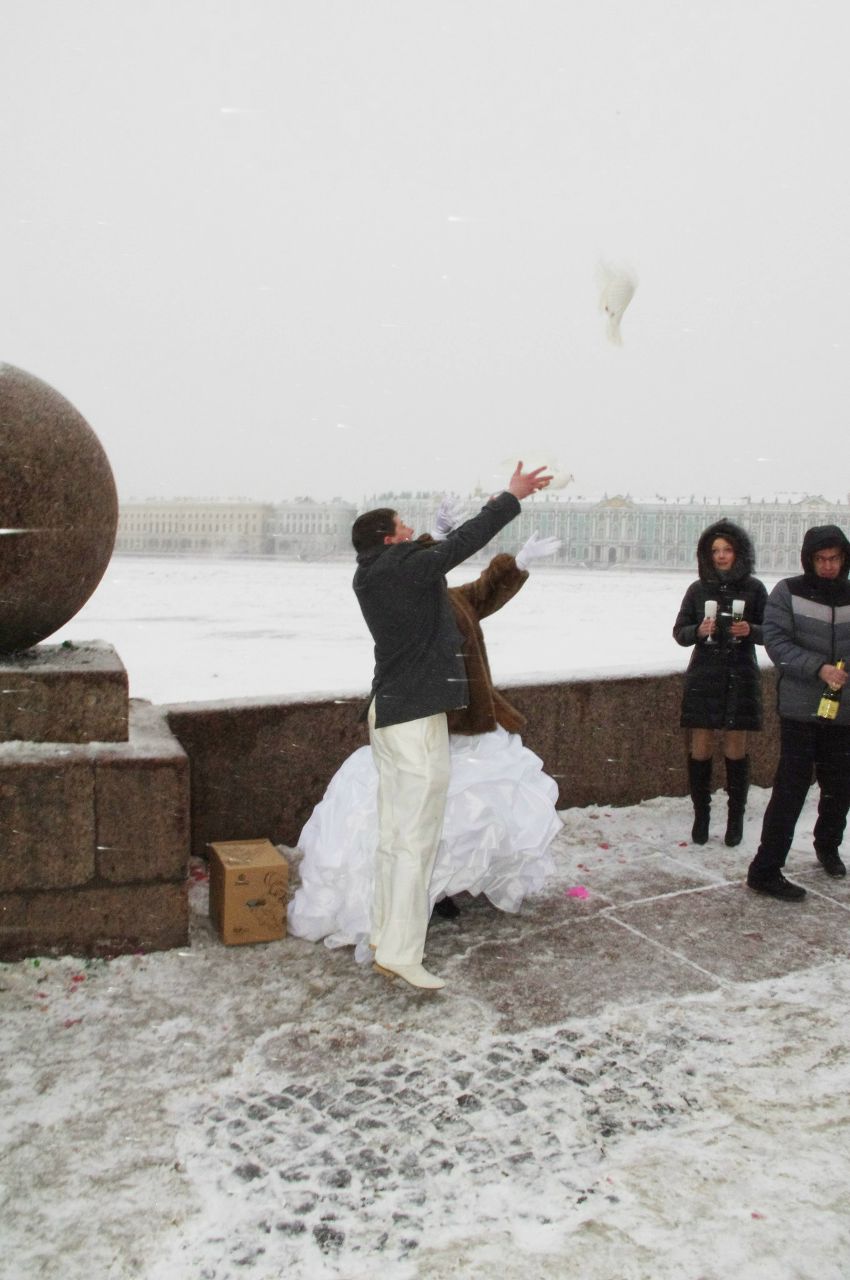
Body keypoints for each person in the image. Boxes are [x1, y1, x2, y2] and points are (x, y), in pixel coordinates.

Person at [287, 521, 563, 965]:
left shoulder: (442, 596)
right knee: (435, 815)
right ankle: (423, 898)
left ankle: (444, 888)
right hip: (431, 720)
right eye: (406, 531)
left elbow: (481, 594)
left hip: (469, 720)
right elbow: (435, 559)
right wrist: (445, 533)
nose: (417, 539)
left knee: (460, 816)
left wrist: (520, 563)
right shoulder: (403, 594)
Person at [341, 462, 551, 991]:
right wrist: (511, 495)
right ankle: (402, 953)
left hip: (390, 712)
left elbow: (440, 558)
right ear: (389, 539)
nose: (414, 532)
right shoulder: (401, 569)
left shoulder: (376, 573)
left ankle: (384, 934)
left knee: (394, 836)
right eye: (405, 528)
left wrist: (443, 536)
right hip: (412, 720)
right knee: (416, 840)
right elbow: (461, 544)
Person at [746, 525, 850, 901]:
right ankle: (765, 868)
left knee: (840, 788)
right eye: (821, 559)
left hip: (844, 712)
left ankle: (828, 846)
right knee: (790, 791)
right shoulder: (787, 592)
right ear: (809, 560)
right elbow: (775, 642)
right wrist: (819, 667)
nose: (828, 566)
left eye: (835, 558)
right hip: (800, 710)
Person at [673, 520, 767, 846]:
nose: (721, 556)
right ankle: (702, 816)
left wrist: (751, 631)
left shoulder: (754, 589)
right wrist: (698, 631)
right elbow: (679, 632)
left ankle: (735, 818)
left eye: (727, 550)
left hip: (740, 675)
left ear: (738, 553)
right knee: (700, 747)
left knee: (735, 748)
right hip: (705, 676)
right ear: (707, 555)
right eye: (715, 551)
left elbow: (771, 632)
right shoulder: (698, 590)